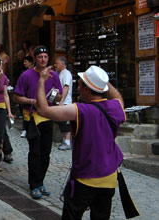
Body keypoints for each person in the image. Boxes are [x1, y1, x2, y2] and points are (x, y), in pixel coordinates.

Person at [35, 65, 126, 219]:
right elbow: (117, 96)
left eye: (81, 84)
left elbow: (43, 110)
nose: (78, 87)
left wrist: (41, 81)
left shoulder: (79, 110)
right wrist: (104, 81)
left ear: (87, 89)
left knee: (72, 215)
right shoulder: (115, 106)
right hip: (109, 178)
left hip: (85, 178)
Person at [13, 45, 63, 199]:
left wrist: (53, 97)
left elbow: (60, 95)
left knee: (46, 152)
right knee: (35, 152)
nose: (43, 59)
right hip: (32, 117)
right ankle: (34, 185)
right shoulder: (26, 75)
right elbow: (16, 97)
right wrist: (31, 101)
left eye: (46, 57)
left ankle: (40, 181)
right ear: (34, 58)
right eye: (40, 57)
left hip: (48, 116)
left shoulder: (53, 75)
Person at [54, 56, 73, 151]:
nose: (55, 65)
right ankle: (65, 140)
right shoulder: (60, 74)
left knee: (65, 122)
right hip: (61, 101)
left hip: (65, 102)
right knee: (61, 121)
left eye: (57, 63)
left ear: (62, 64)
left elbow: (66, 87)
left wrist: (62, 101)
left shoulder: (66, 73)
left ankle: (67, 141)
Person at [20, 54, 34, 138]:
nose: (24, 63)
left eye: (26, 61)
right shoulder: (24, 73)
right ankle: (25, 129)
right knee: (25, 113)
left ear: (31, 62)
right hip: (25, 96)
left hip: (32, 96)